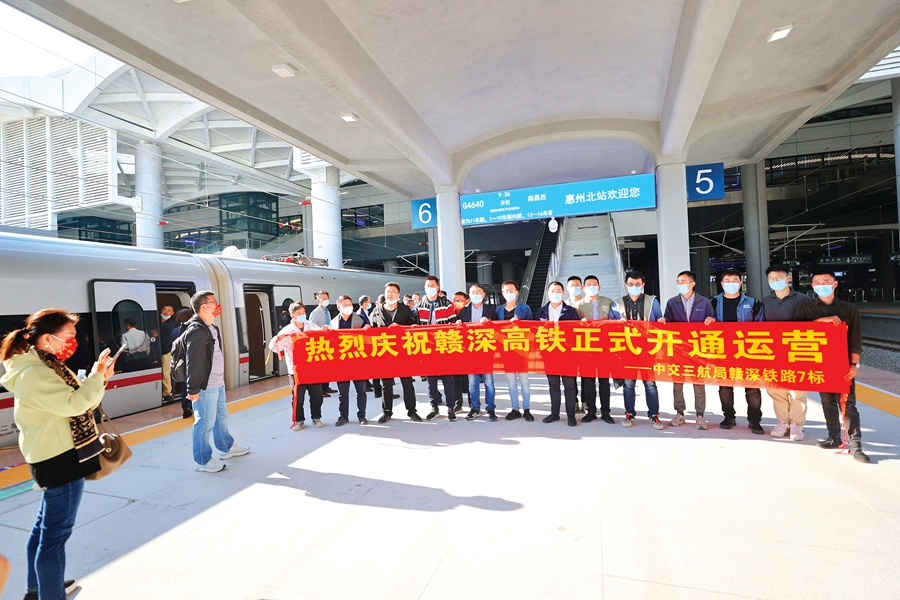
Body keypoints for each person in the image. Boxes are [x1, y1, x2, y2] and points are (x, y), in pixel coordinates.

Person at [1, 308, 116, 600]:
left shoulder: (45, 364)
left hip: (55, 453)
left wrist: (99, 378)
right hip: (60, 458)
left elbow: (81, 400)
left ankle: (37, 589)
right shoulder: (34, 373)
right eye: (69, 335)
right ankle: (50, 595)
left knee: (44, 530)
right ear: (46, 338)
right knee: (54, 538)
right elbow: (75, 405)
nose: (73, 341)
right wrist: (97, 376)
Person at [794, 269, 869, 463]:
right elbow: (796, 332)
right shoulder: (806, 307)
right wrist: (819, 322)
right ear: (812, 286)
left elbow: (855, 339)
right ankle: (834, 437)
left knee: (848, 403)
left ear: (835, 284)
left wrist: (854, 364)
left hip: (842, 364)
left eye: (826, 281)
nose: (822, 285)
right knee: (827, 401)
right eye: (817, 283)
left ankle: (855, 445)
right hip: (819, 363)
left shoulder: (849, 309)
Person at [184, 291, 249, 473]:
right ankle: (203, 460)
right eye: (214, 302)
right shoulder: (197, 331)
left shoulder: (211, 328)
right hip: (205, 386)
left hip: (217, 383)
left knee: (221, 418)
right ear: (203, 307)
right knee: (204, 423)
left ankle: (226, 447)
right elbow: (193, 361)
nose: (217, 305)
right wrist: (193, 388)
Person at [710, 270, 765, 434]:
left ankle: (754, 421)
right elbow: (706, 324)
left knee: (752, 387)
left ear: (741, 283)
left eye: (734, 280)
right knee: (725, 387)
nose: (731, 283)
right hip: (723, 351)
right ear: (721, 284)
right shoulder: (713, 303)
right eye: (727, 280)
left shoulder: (753, 303)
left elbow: (762, 326)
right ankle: (729, 417)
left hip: (748, 351)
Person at [761, 265, 812, 441]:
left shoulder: (803, 300)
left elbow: (813, 325)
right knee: (776, 389)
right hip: (773, 352)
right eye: (771, 279)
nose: (775, 281)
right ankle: (782, 422)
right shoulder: (766, 301)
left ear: (787, 278)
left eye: (779, 277)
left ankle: (797, 424)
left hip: (797, 351)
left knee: (797, 390)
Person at [610, 271, 664, 430]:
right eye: (631, 284)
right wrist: (617, 324)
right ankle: (629, 413)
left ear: (643, 285)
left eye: (637, 284)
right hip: (627, 351)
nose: (634, 286)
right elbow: (610, 326)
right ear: (626, 285)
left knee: (650, 384)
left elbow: (660, 320)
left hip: (648, 350)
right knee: (628, 384)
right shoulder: (617, 304)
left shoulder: (652, 301)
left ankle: (654, 415)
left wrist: (662, 321)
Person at [663, 271, 715, 430]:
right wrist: (663, 320)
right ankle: (679, 413)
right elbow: (668, 321)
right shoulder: (672, 302)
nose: (680, 284)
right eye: (678, 281)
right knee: (677, 383)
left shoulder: (704, 302)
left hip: (697, 349)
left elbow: (712, 321)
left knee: (698, 383)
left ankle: (700, 415)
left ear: (692, 284)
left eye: (683, 281)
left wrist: (712, 320)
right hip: (678, 349)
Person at [369, 282, 422, 423]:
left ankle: (412, 411)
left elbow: (413, 328)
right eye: (388, 291)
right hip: (385, 352)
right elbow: (371, 332)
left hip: (403, 352)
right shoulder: (377, 311)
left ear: (398, 294)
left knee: (407, 383)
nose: (390, 294)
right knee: (386, 384)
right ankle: (386, 412)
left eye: (393, 291)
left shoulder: (405, 310)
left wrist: (401, 328)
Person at [269, 302, 324, 430]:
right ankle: (299, 420)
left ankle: (316, 417)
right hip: (296, 370)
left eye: (303, 312)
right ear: (292, 316)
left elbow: (324, 337)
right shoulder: (287, 330)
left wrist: (325, 329)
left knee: (317, 395)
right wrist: (278, 338)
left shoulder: (312, 326)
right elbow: (273, 347)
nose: (302, 315)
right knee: (297, 397)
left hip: (313, 368)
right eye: (299, 313)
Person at [572, 275, 616, 424]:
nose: (592, 287)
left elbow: (615, 321)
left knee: (604, 381)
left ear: (599, 287)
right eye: (588, 284)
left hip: (604, 348)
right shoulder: (578, 305)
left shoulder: (608, 302)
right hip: (586, 348)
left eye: (594, 284)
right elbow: (572, 326)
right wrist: (580, 323)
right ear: (583, 288)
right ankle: (591, 411)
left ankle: (606, 412)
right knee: (588, 381)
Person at [536, 281, 580, 427]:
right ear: (548, 293)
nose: (555, 293)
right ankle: (554, 413)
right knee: (553, 385)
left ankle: (571, 415)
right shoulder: (541, 312)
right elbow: (536, 332)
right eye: (552, 291)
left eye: (558, 291)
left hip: (567, 355)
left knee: (569, 385)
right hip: (549, 354)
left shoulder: (571, 311)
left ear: (563, 293)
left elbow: (576, 332)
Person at [415, 275, 458, 420]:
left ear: (438, 287)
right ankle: (434, 407)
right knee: (431, 382)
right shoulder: (420, 305)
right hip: (427, 349)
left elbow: (453, 322)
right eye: (428, 286)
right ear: (424, 288)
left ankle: (451, 408)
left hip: (444, 346)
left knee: (448, 380)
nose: (430, 288)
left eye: (433, 285)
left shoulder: (446, 303)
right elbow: (416, 325)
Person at [496, 279, 534, 421]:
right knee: (511, 381)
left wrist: (520, 325)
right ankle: (515, 409)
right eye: (506, 290)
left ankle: (527, 409)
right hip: (506, 351)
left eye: (512, 290)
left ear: (517, 292)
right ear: (502, 293)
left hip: (522, 350)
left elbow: (532, 329)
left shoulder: (525, 308)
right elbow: (495, 330)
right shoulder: (498, 310)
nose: (509, 293)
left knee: (524, 380)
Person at [458, 284, 497, 421]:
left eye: (478, 292)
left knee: (489, 382)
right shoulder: (463, 312)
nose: (475, 295)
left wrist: (490, 322)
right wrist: (458, 324)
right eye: (472, 292)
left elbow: (497, 329)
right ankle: (475, 408)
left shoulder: (490, 310)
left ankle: (490, 408)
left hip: (485, 350)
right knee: (473, 382)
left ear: (483, 295)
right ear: (469, 295)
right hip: (470, 352)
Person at [331, 295, 371, 426]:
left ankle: (362, 415)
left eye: (350, 304)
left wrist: (368, 329)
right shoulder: (333, 322)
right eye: (345, 304)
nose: (349, 307)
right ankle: (343, 416)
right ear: (338, 307)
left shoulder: (361, 319)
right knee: (342, 392)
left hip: (358, 361)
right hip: (341, 363)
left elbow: (370, 337)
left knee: (361, 391)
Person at [308, 291, 336, 396]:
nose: (325, 300)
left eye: (326, 298)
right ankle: (321, 389)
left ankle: (325, 386)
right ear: (318, 300)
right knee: (320, 367)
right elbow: (310, 327)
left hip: (327, 341)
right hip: (319, 342)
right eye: (323, 298)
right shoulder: (316, 312)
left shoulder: (327, 311)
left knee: (327, 366)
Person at [564, 276, 585, 413]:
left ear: (582, 287)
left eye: (577, 285)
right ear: (567, 288)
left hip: (585, 345)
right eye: (572, 285)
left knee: (585, 376)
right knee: (570, 377)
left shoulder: (587, 303)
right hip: (568, 347)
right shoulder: (563, 305)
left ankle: (585, 401)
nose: (574, 288)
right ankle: (574, 402)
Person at [171, 308, 195, 418]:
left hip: (181, 362)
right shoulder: (194, 329)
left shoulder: (175, 331)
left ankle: (186, 409)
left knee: (184, 385)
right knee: (195, 383)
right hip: (193, 360)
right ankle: (192, 405)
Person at [451, 291, 470, 412]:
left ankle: (473, 403)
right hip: (454, 348)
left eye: (459, 300)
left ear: (466, 302)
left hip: (468, 349)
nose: (456, 302)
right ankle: (458, 403)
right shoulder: (448, 312)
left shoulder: (468, 312)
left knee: (469, 379)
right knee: (455, 378)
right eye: (454, 300)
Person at [158, 304, 178, 403]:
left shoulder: (174, 324)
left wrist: (172, 349)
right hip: (155, 351)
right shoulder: (154, 321)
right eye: (164, 309)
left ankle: (168, 393)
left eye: (169, 310)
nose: (166, 312)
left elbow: (177, 338)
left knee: (166, 373)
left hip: (166, 351)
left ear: (172, 313)